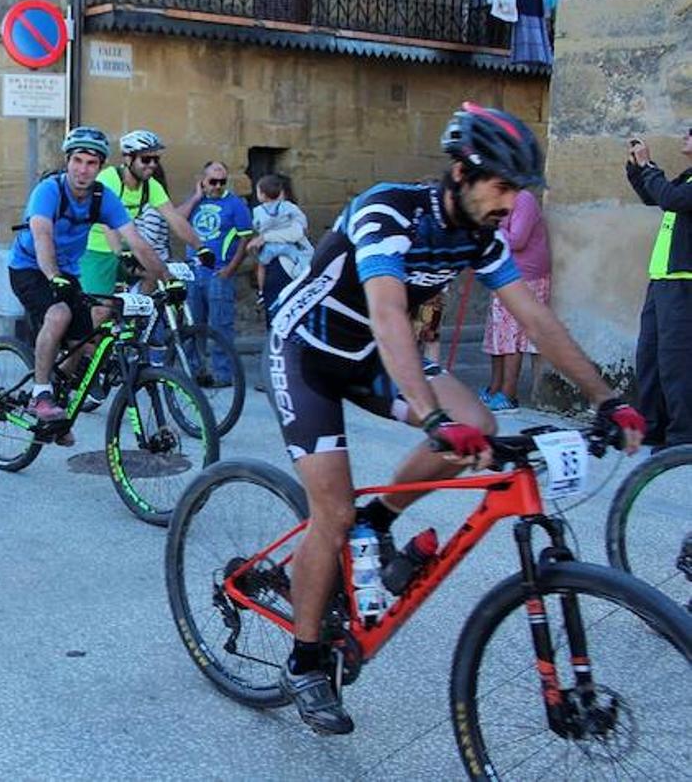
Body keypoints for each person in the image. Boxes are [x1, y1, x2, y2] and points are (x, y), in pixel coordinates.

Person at [266, 102, 645, 735]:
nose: (511, 203)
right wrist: (431, 414)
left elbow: (535, 319)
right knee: (330, 512)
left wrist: (607, 399)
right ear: (462, 173)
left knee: (483, 429)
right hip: (307, 354)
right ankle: (305, 662)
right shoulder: (388, 212)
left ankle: (378, 518)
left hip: (369, 356)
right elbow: (389, 315)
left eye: (518, 191)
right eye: (502, 187)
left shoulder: (479, 235)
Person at [7, 126, 169, 439]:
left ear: (100, 167)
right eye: (78, 161)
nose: (83, 169)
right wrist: (53, 276)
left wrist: (166, 278)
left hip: (67, 271)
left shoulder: (102, 198)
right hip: (29, 266)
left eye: (91, 163)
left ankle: (57, 404)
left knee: (83, 343)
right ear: (68, 161)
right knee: (59, 314)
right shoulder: (49, 191)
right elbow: (42, 234)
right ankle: (41, 395)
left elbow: (136, 241)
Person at [80, 129, 208, 295]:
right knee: (100, 309)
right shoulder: (108, 179)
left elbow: (174, 219)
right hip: (96, 249)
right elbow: (108, 225)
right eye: (146, 159)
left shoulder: (151, 185)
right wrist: (122, 251)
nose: (152, 165)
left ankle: (137, 316)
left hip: (126, 245)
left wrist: (201, 247)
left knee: (156, 273)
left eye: (156, 160)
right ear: (128, 158)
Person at [628, 126, 692, 449]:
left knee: (676, 362)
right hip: (663, 281)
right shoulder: (687, 178)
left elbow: (669, 197)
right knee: (649, 356)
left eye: (691, 133)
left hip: (685, 285)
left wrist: (650, 167)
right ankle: (652, 426)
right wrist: (637, 168)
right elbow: (654, 195)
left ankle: (682, 436)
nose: (685, 136)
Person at [175, 161, 253, 387]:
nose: (217, 186)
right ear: (203, 179)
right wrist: (197, 196)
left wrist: (230, 270)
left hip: (218, 273)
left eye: (222, 182)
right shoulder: (196, 201)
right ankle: (194, 371)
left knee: (220, 325)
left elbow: (245, 239)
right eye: (213, 181)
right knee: (192, 324)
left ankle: (222, 374)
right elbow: (176, 219)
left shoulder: (236, 205)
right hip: (193, 272)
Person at [480, 187, 551, 411]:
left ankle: (508, 394)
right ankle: (494, 387)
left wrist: (489, 228)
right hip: (502, 273)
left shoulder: (524, 199)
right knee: (498, 333)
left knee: (513, 336)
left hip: (526, 276)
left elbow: (517, 240)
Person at [246, 173, 312, 322]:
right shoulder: (290, 209)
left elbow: (297, 232)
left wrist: (264, 237)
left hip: (284, 265)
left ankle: (261, 292)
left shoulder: (260, 212)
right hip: (285, 263)